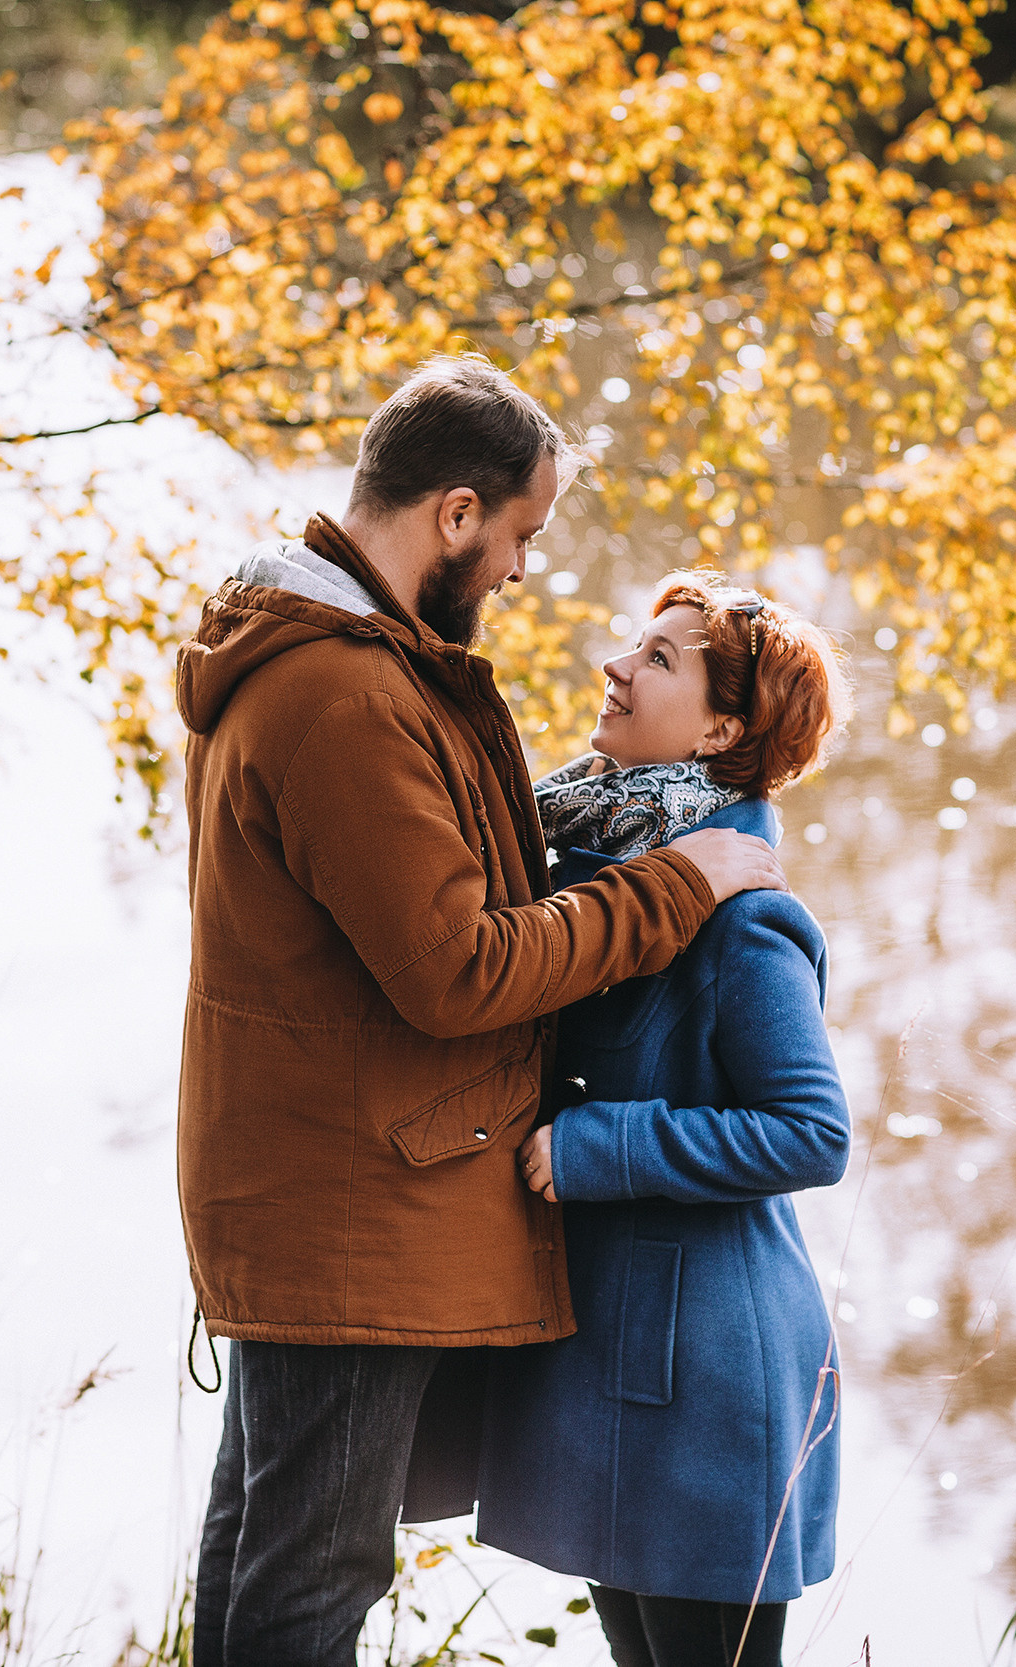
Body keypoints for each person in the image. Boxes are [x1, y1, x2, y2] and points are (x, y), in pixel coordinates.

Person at [174, 357, 790, 1667]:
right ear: (455, 513)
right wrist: (675, 884)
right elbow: (457, 968)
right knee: (310, 1568)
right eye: (519, 533)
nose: (518, 568)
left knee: (265, 1550)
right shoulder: (346, 696)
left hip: (328, 1177)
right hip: (351, 1203)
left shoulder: (342, 667)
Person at [478, 572, 855, 1667]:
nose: (617, 665)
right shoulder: (597, 864)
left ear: (724, 729)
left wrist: (600, 1146)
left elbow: (812, 1130)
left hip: (706, 1385)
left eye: (659, 658)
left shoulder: (742, 915)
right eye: (634, 645)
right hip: (610, 1355)